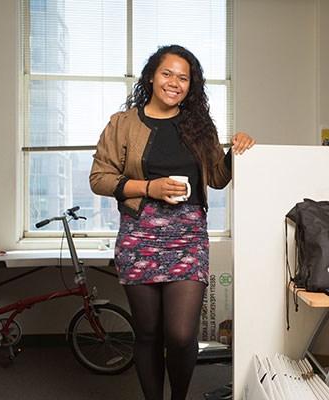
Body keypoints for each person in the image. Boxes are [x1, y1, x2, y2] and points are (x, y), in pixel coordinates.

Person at [89, 44, 255, 400]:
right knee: (148, 333)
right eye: (167, 74)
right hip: (139, 234)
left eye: (183, 77)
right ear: (151, 76)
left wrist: (236, 149)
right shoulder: (123, 124)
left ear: (190, 85)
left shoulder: (198, 125)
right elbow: (99, 178)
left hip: (188, 236)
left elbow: (218, 178)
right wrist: (150, 187)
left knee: (181, 335)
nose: (174, 83)